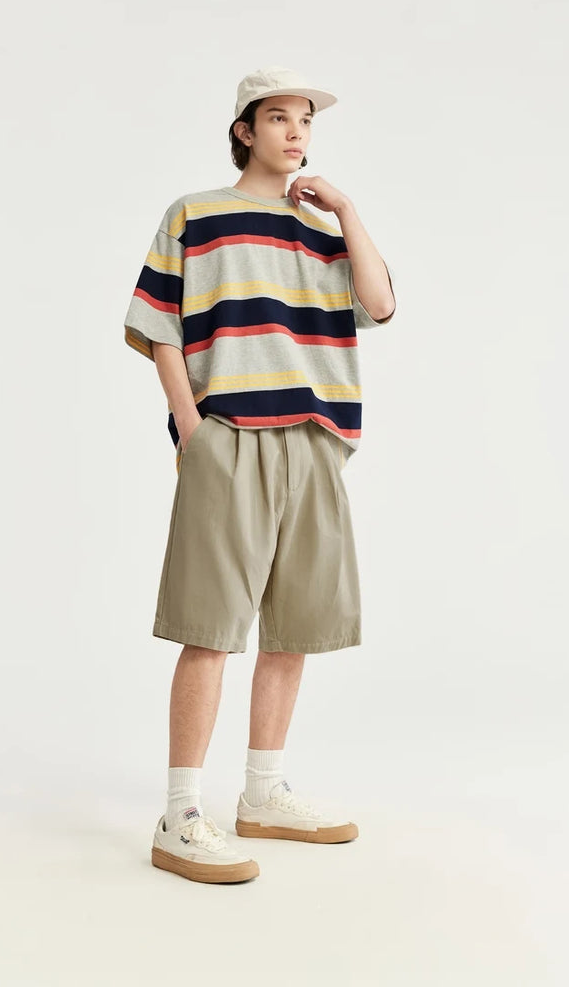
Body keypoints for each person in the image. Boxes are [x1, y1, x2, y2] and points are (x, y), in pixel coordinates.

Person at [123, 66, 396, 884]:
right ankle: (180, 814)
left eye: (304, 118)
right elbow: (158, 321)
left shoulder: (324, 231)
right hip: (230, 434)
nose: (295, 130)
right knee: (210, 626)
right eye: (278, 117)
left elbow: (380, 304)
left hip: (315, 436)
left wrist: (347, 210)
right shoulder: (195, 214)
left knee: (295, 625)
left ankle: (263, 793)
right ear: (245, 130)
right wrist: (189, 424)